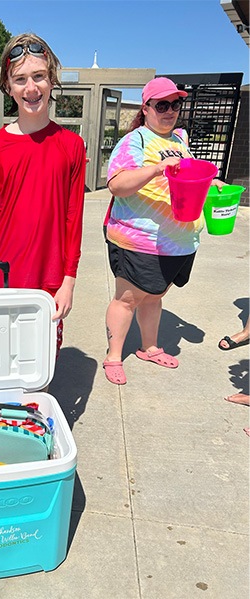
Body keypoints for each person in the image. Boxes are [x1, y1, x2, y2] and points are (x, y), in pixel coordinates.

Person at [0, 33, 86, 357]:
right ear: (8, 86)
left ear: (51, 80)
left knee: (41, 362)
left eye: (39, 77)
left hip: (50, 281)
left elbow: (73, 218)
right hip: (1, 277)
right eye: (20, 79)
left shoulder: (71, 145)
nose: (31, 88)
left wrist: (68, 280)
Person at [103, 77, 224, 385]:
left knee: (154, 296)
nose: (170, 111)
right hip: (139, 239)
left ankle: (149, 347)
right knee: (127, 299)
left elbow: (192, 178)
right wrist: (156, 169)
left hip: (180, 241)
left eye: (176, 104)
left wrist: (215, 185)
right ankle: (114, 356)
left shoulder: (179, 139)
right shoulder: (135, 141)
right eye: (162, 105)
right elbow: (116, 185)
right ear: (146, 108)